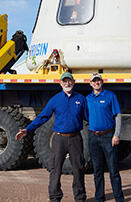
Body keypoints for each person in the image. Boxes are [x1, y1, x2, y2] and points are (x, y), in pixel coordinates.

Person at [15, 72, 87, 202]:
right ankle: (54, 197)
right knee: (55, 169)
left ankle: (80, 198)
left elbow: (89, 118)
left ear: (73, 82)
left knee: (78, 169)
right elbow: (43, 116)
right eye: (64, 81)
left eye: (69, 81)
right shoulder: (55, 100)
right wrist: (28, 129)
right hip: (59, 139)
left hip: (76, 139)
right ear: (60, 83)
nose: (67, 83)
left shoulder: (81, 99)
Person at [86, 73, 124, 202]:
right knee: (97, 171)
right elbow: (86, 116)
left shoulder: (110, 96)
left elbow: (117, 116)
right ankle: (99, 198)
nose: (96, 83)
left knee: (113, 171)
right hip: (93, 137)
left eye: (98, 80)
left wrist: (116, 134)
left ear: (102, 82)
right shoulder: (88, 98)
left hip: (108, 136)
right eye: (94, 81)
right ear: (90, 84)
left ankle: (119, 198)